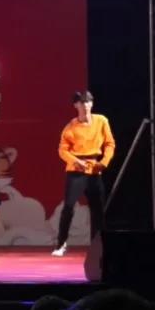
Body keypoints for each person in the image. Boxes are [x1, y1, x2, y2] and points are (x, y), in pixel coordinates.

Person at [53, 90, 115, 257]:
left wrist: (104, 162)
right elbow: (62, 150)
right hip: (76, 170)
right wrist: (75, 161)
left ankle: (99, 245)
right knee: (68, 207)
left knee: (98, 209)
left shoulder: (101, 121)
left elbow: (110, 144)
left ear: (92, 103)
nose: (85, 105)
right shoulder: (70, 127)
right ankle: (61, 243)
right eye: (81, 102)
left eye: (88, 101)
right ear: (76, 105)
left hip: (94, 168)